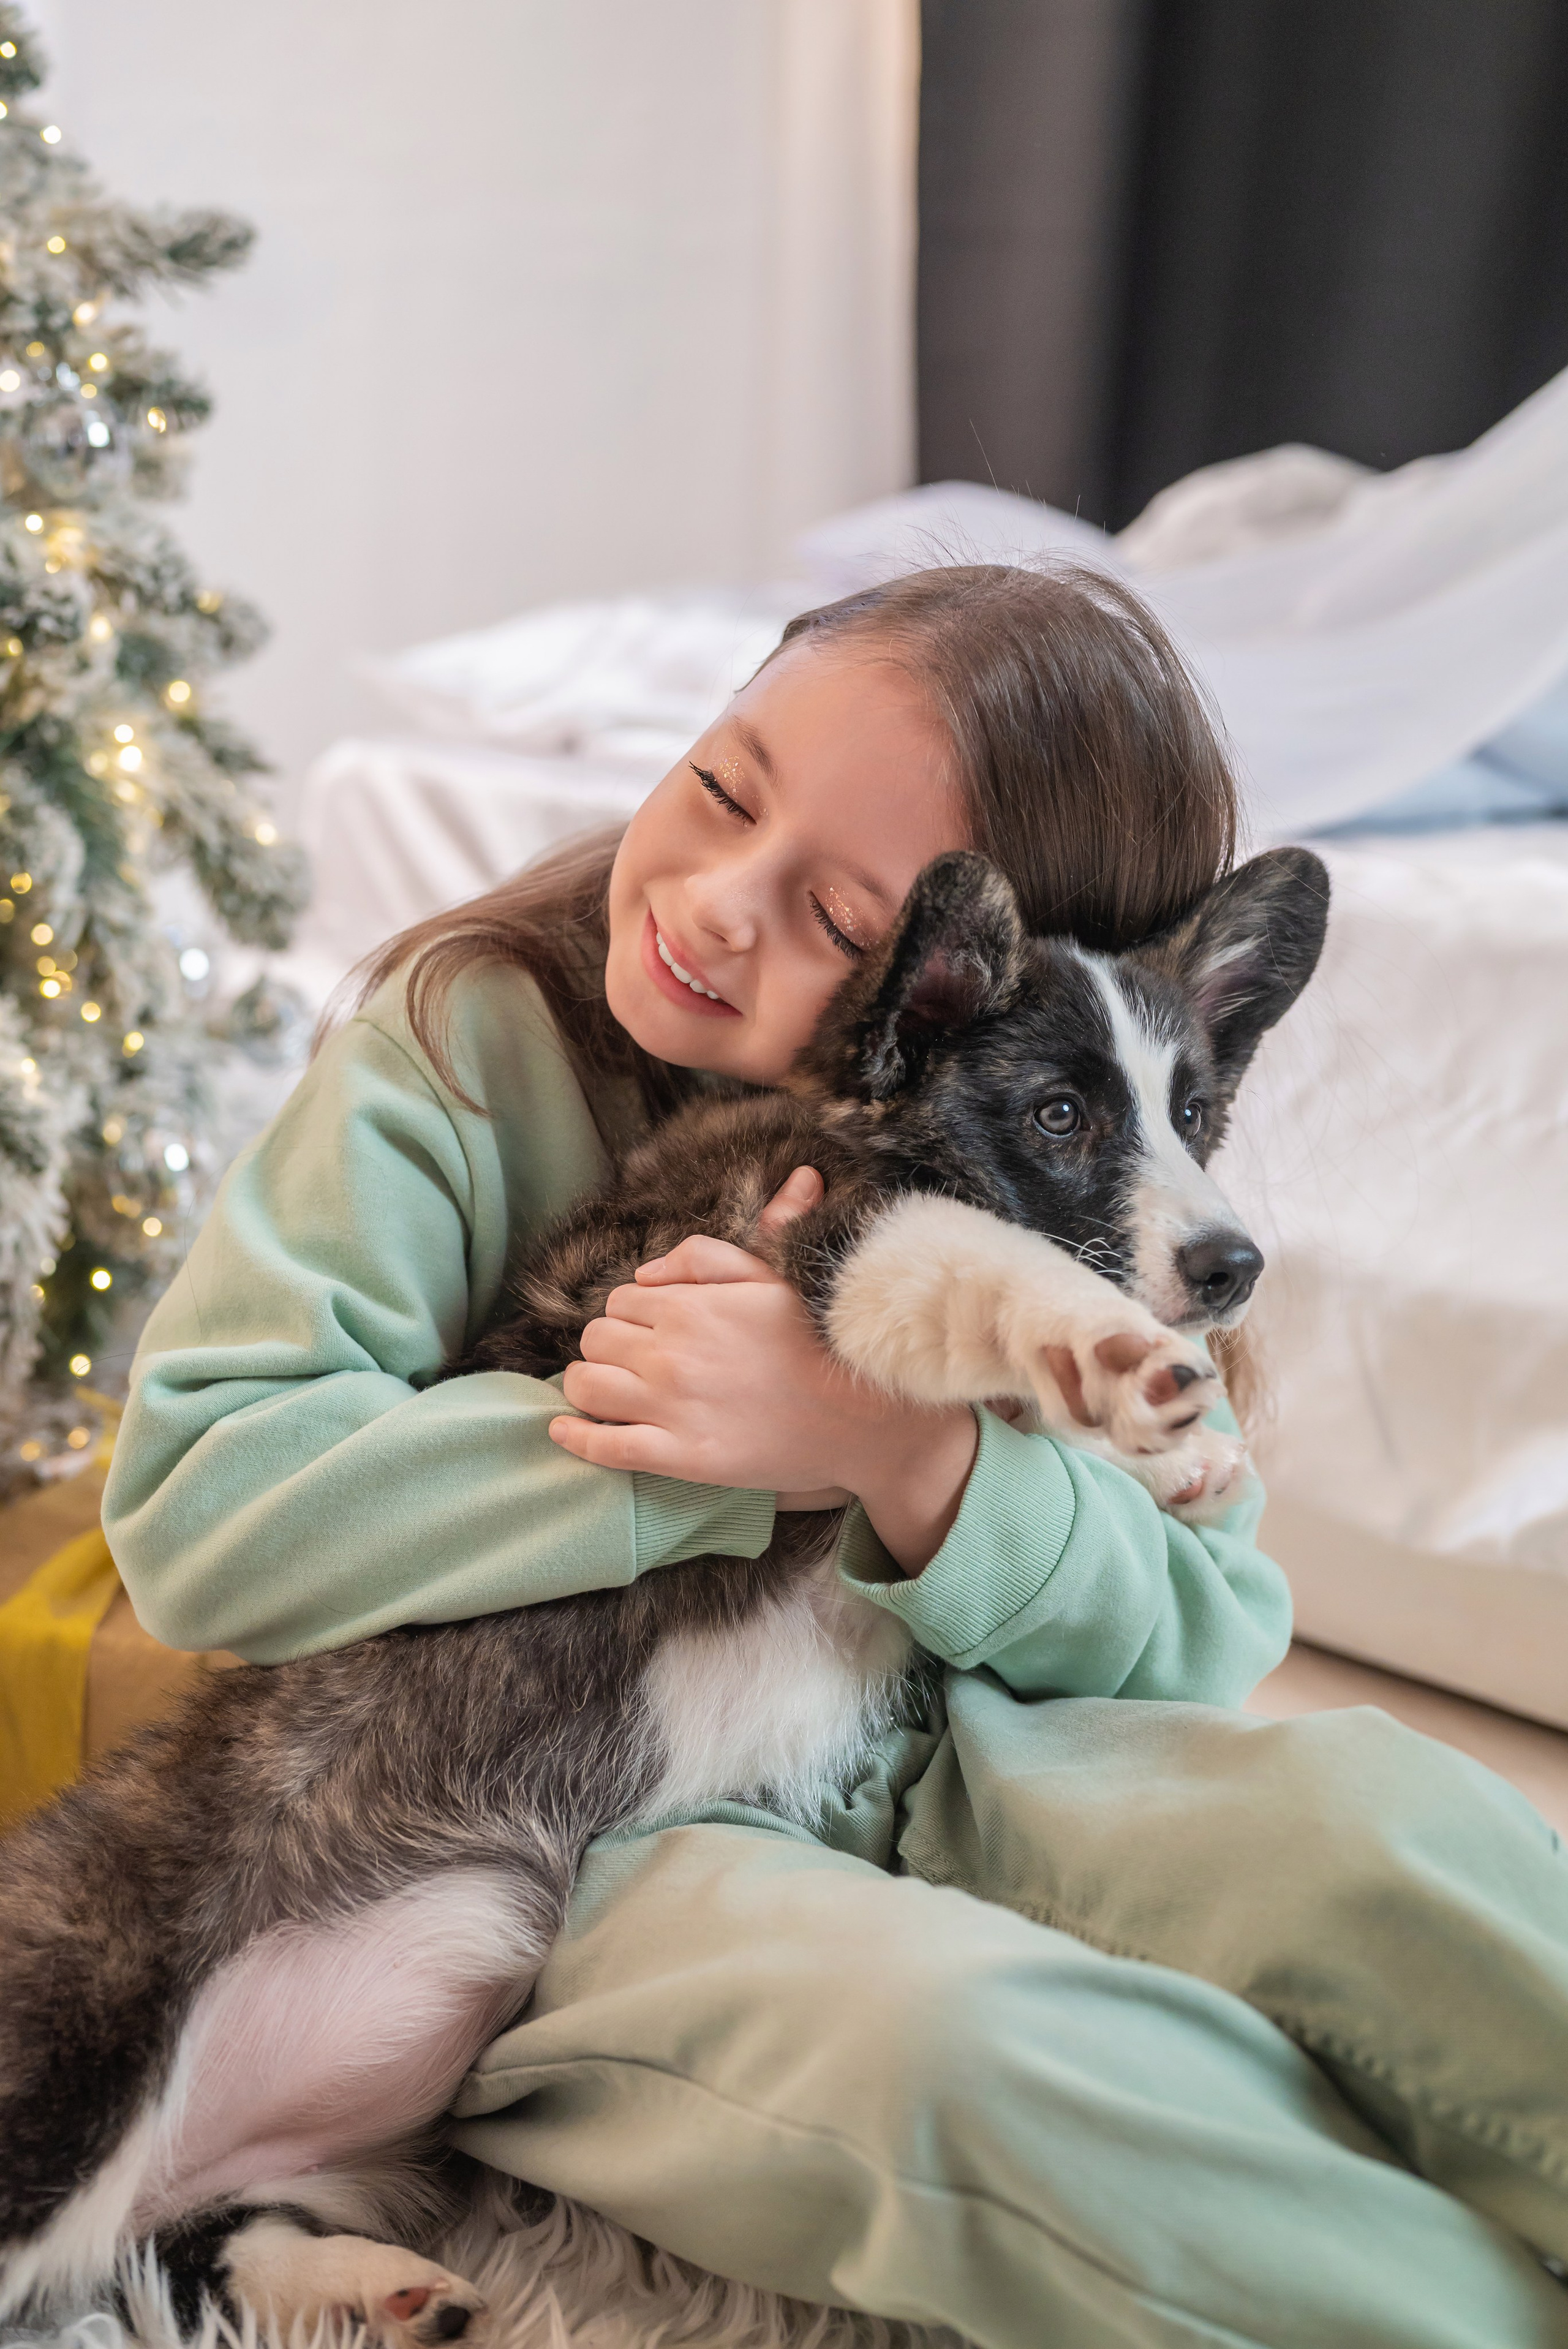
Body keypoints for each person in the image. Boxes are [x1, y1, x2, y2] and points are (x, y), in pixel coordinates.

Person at [105, 567, 1568, 2349]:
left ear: (988, 994)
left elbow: (1207, 1636)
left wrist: (901, 1449)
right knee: (980, 2056)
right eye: (723, 787)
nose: (720, 904)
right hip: (602, 1838)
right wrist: (705, 1454)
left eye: (841, 915)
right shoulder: (465, 1051)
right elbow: (203, 1501)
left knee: (1387, 1828)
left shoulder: (1062, 1194)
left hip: (993, 1761)